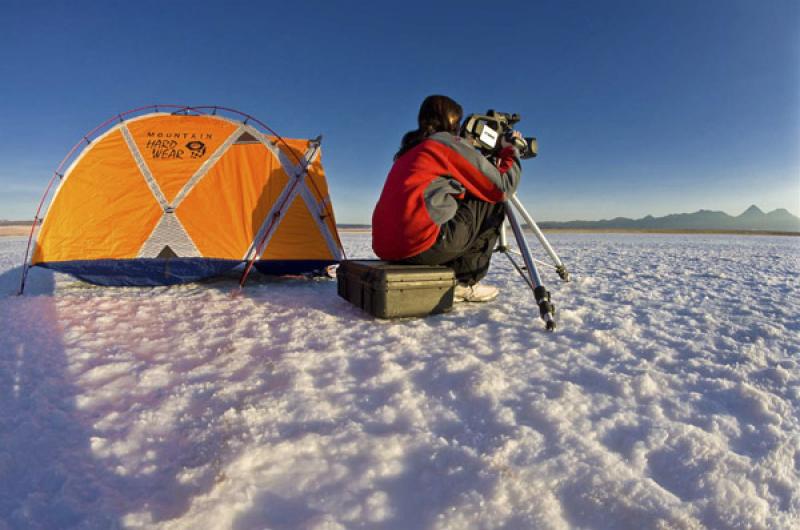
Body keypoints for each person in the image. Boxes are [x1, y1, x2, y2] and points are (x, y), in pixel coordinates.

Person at [371, 95, 522, 302]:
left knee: (465, 193)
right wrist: (510, 150)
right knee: (490, 198)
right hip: (421, 247)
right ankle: (465, 281)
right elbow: (501, 187)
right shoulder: (445, 143)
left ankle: (451, 272)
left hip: (387, 249)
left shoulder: (410, 150)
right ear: (452, 121)